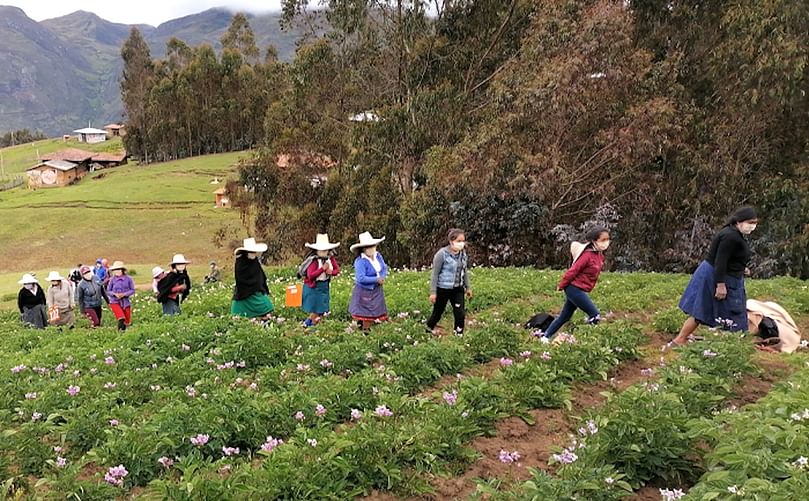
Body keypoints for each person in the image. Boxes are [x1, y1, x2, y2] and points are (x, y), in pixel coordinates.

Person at [672, 207, 759, 346]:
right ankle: (681, 339)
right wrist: (720, 284)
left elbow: (730, 258)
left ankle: (686, 339)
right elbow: (721, 260)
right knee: (726, 313)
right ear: (739, 221)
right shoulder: (730, 236)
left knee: (705, 310)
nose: (753, 226)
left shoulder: (733, 234)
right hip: (717, 276)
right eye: (750, 222)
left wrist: (741, 268)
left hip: (722, 274)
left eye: (755, 222)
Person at [540, 227, 611, 341]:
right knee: (595, 315)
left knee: (565, 316)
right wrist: (562, 284)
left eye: (607, 239)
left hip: (580, 288)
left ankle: (545, 337)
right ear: (594, 241)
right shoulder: (587, 255)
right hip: (574, 288)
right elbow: (573, 270)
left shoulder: (599, 255)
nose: (606, 242)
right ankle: (589, 340)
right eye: (603, 240)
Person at [426, 228, 473, 335]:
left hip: (458, 288)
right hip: (443, 288)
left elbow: (464, 271)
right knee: (438, 312)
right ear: (451, 241)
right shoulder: (442, 254)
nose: (462, 244)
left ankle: (458, 333)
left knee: (460, 312)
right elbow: (435, 274)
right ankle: (429, 328)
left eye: (463, 241)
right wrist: (433, 292)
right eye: (459, 241)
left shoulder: (463, 254)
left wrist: (468, 287)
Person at [348, 231, 389, 330]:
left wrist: (382, 277)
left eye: (373, 246)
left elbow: (383, 268)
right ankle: (365, 332)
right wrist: (376, 279)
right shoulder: (360, 261)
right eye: (368, 247)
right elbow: (361, 278)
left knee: (376, 311)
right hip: (364, 291)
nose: (371, 249)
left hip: (376, 290)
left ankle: (365, 329)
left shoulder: (378, 256)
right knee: (366, 314)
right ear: (363, 249)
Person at [301, 234, 341, 328]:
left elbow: (337, 270)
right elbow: (311, 275)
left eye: (326, 250)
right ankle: (310, 326)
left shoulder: (330, 258)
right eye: (322, 250)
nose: (324, 252)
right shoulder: (314, 260)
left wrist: (331, 272)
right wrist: (322, 269)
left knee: (322, 310)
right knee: (316, 310)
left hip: (324, 286)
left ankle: (309, 325)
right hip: (314, 288)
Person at [231, 238, 274, 319]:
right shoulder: (240, 263)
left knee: (267, 306)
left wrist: (260, 284)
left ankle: (263, 315)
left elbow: (260, 275)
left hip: (257, 289)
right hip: (243, 291)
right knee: (237, 310)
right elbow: (239, 278)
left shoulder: (255, 261)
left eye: (254, 252)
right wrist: (251, 283)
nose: (253, 254)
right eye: (251, 252)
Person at [106, 261, 136, 331]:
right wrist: (114, 294)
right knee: (121, 317)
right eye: (115, 270)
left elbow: (132, 290)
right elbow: (108, 291)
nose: (117, 271)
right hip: (114, 301)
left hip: (125, 302)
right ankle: (119, 332)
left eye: (118, 269)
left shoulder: (129, 279)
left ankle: (124, 333)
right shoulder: (112, 280)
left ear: (122, 270)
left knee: (127, 321)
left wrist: (124, 294)